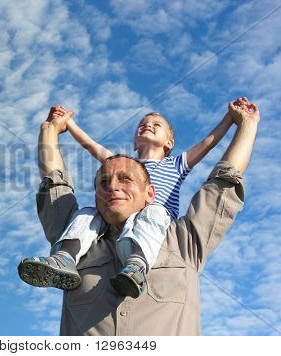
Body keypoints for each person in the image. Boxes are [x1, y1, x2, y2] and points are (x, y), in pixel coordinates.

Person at [21, 99, 259, 335]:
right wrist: (58, 126)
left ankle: (137, 263)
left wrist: (235, 121)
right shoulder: (112, 171)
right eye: (104, 182)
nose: (113, 186)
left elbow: (220, 168)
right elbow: (64, 171)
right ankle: (64, 257)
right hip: (95, 230)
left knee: (152, 212)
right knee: (85, 215)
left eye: (125, 179)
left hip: (158, 222)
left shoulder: (183, 234)